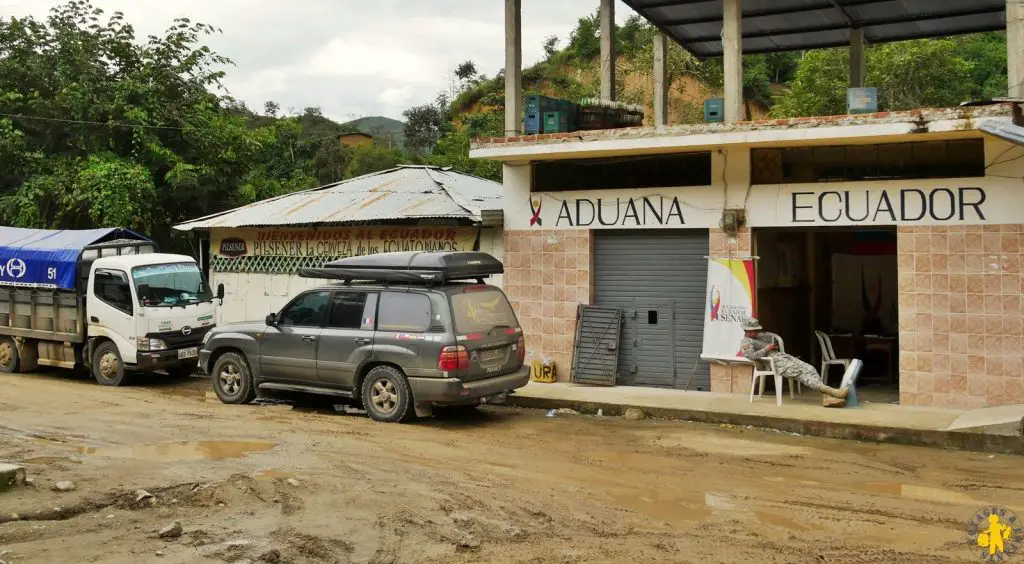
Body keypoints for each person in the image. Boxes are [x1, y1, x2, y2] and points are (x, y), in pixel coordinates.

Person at [740, 317, 850, 408]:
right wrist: (767, 349)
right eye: (753, 330)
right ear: (747, 331)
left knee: (809, 368)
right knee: (800, 373)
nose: (755, 332)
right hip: (773, 362)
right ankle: (832, 392)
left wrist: (773, 347)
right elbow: (751, 356)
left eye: (756, 330)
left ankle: (826, 397)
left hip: (782, 356)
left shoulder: (760, 338)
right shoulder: (746, 342)